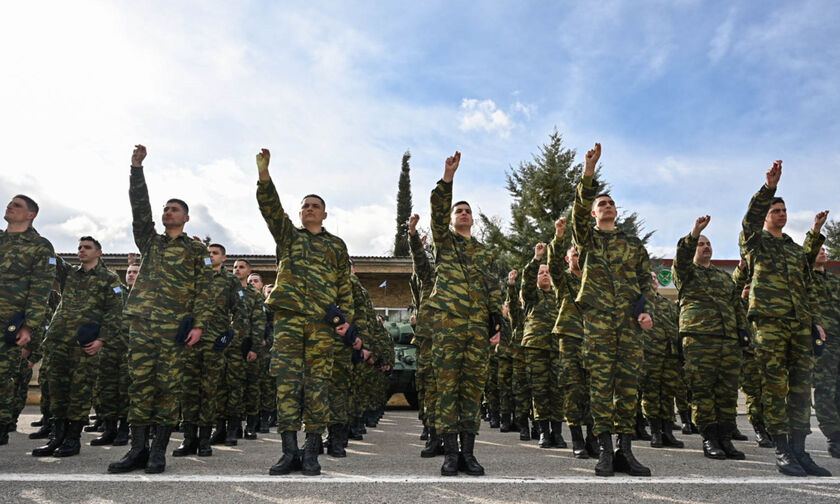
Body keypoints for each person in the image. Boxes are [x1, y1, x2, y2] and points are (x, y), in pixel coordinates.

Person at [108, 144, 214, 474]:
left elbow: (206, 289)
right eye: (166, 209)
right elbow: (140, 210)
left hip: (174, 327)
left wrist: (198, 324)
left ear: (186, 218)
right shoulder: (150, 242)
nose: (168, 213)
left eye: (174, 210)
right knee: (139, 385)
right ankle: (137, 449)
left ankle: (158, 452)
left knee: (168, 388)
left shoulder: (197, 251)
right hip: (142, 322)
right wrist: (136, 170)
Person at [255, 148, 355, 476]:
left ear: (324, 215)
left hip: (321, 325)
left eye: (316, 206)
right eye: (305, 206)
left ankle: (311, 451)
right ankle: (288, 452)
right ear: (299, 214)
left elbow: (344, 286)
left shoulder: (336, 246)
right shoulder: (288, 236)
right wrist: (264, 176)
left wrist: (346, 321)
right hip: (288, 320)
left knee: (317, 386)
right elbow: (271, 210)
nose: (310, 209)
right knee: (286, 384)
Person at [740, 160, 830, 477]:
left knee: (802, 389)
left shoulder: (793, 249)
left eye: (783, 210)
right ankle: (782, 451)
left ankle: (800, 451)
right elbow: (749, 220)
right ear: (766, 215)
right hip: (769, 324)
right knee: (776, 388)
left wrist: (814, 320)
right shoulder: (755, 242)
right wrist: (769, 188)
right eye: (775, 210)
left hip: (799, 326)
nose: (781, 214)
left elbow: (807, 284)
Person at [571, 142, 654, 477]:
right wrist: (588, 172)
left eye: (610, 203)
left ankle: (625, 451)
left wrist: (646, 311)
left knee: (628, 387)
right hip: (599, 326)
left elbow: (645, 284)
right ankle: (604, 451)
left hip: (629, 327)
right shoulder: (587, 239)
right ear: (594, 213)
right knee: (602, 387)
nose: (606, 207)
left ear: (616, 211)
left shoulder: (633, 245)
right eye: (600, 204)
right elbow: (577, 214)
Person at [426, 151, 502, 476]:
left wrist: (496, 321)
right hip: (448, 327)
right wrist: (448, 179)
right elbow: (437, 209)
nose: (463, 214)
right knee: (447, 388)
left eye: (468, 211)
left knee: (472, 390)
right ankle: (449, 453)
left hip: (477, 331)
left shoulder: (484, 253)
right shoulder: (444, 243)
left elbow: (493, 290)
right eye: (459, 210)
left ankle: (468, 454)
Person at [32, 236, 122, 458]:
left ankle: (73, 439)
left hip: (84, 345)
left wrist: (102, 340)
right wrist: (28, 230)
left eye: (87, 247)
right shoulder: (69, 273)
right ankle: (57, 437)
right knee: (56, 390)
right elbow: (50, 256)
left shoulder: (109, 279)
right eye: (80, 247)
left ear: (99, 253)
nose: (81, 250)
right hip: (59, 340)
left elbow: (115, 312)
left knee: (79, 392)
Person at [672, 216, 745, 460]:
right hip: (699, 340)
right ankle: (709, 439)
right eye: (701, 244)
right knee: (703, 391)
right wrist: (694, 232)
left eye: (708, 244)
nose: (705, 247)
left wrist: (742, 334)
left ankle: (726, 439)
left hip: (727, 341)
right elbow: (681, 257)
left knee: (727, 392)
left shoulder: (724, 278)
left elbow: (736, 306)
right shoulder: (685, 273)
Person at [175, 243, 246, 457]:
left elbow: (241, 312)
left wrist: (231, 335)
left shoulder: (231, 281)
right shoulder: (194, 277)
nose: (211, 256)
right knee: (187, 391)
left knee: (209, 391)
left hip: (214, 343)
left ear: (224, 258)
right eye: (208, 253)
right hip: (190, 342)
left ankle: (204, 440)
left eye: (215, 253)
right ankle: (188, 439)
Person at [0, 195, 55, 445]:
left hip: (10, 324)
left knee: (3, 379)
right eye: (10, 203)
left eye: (17, 205)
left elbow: (40, 289)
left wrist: (29, 326)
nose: (10, 206)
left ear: (31, 214)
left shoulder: (40, 246)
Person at [548, 217, 597, 458]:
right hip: (570, 337)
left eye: (580, 253)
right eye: (573, 254)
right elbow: (553, 265)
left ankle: (592, 438)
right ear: (568, 259)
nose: (577, 256)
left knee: (594, 389)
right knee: (573, 389)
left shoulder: (595, 280)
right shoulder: (564, 278)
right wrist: (559, 236)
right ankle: (577, 438)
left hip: (595, 338)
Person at [802, 211, 840, 458]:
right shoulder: (805, 279)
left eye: (825, 249)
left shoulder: (835, 281)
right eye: (819, 248)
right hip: (821, 343)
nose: (823, 251)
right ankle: (834, 437)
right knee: (825, 390)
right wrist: (815, 228)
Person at [521, 242, 564, 449]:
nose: (544, 275)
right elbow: (527, 282)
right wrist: (536, 259)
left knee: (556, 390)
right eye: (541, 273)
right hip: (536, 347)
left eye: (547, 272)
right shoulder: (532, 295)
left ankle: (557, 433)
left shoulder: (559, 296)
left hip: (557, 347)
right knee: (539, 391)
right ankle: (543, 432)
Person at [91, 260, 139, 447]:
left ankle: (124, 430)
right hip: (109, 348)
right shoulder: (117, 292)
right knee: (107, 389)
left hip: (131, 351)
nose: (131, 275)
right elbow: (100, 268)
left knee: (126, 391)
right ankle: (109, 429)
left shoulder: (146, 296)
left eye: (135, 272)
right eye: (129, 272)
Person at [641, 272, 685, 450]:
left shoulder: (668, 305)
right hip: (649, 354)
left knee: (667, 394)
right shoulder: (640, 304)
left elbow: (678, 327)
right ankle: (655, 432)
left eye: (654, 278)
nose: (653, 281)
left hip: (670, 355)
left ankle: (668, 432)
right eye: (648, 278)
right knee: (651, 394)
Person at [231, 258, 264, 442]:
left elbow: (259, 322)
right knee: (232, 388)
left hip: (248, 346)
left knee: (252, 388)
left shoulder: (254, 294)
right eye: (235, 267)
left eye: (241, 267)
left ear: (248, 271)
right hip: (229, 347)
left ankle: (250, 426)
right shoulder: (228, 290)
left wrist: (255, 347)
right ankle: (233, 427)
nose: (237, 270)